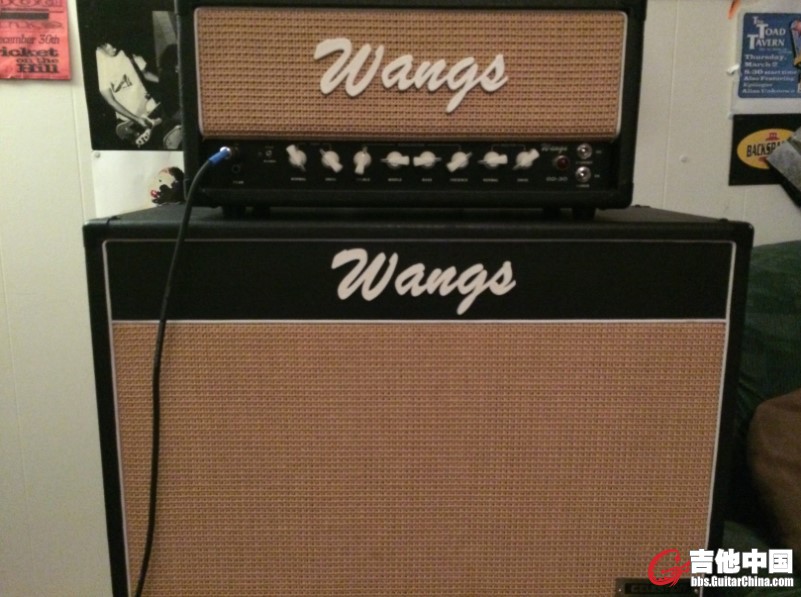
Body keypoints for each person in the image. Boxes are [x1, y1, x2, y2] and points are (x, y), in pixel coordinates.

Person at [95, 40, 162, 148]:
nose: (113, 48)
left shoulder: (128, 53)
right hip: (130, 121)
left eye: (114, 45)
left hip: (150, 109)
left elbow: (145, 74)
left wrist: (168, 82)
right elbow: (110, 100)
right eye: (106, 46)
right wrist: (136, 119)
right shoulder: (99, 63)